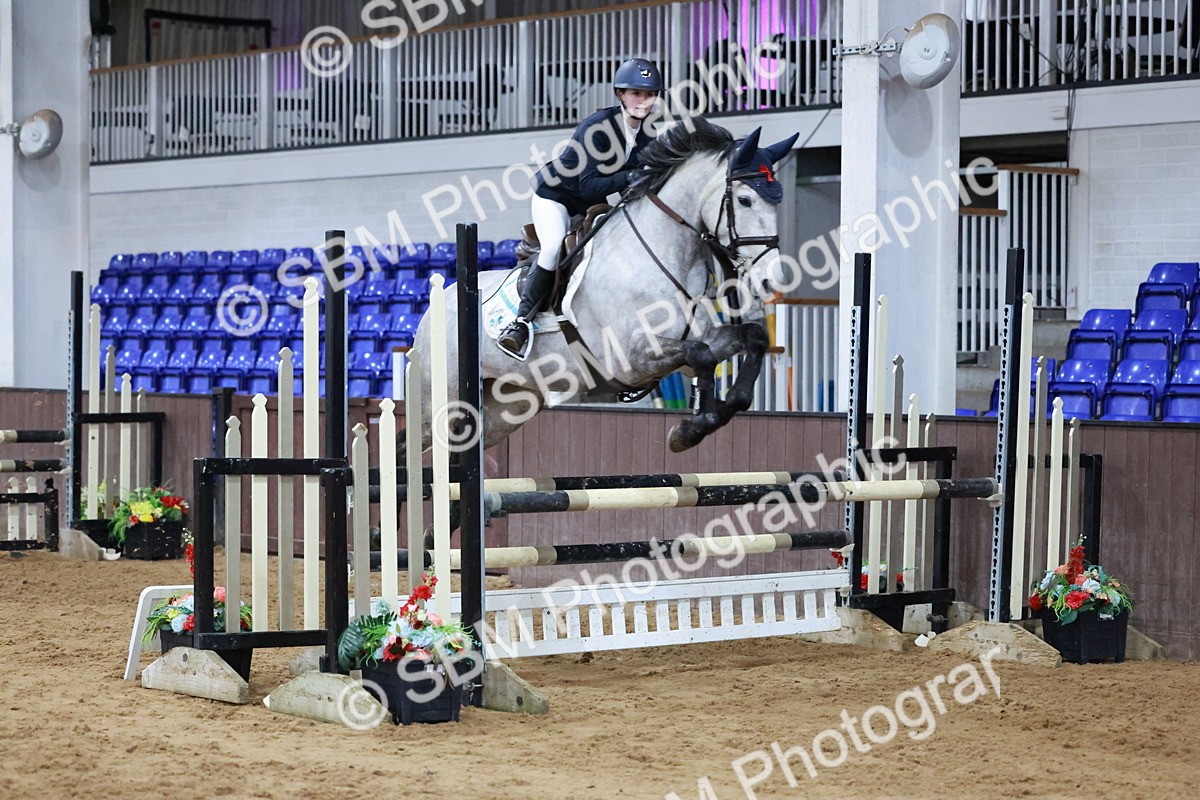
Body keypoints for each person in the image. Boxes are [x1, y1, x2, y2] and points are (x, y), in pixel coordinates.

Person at [497, 57, 662, 360]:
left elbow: (632, 186)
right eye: (636, 93)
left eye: (649, 94)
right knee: (551, 247)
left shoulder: (647, 134)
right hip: (556, 197)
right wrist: (629, 176)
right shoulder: (597, 128)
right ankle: (520, 323)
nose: (644, 100)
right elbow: (588, 185)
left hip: (591, 205)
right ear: (620, 94)